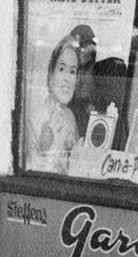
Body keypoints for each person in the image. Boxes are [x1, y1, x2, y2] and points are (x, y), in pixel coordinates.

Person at [27, 28, 90, 172]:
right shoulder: (35, 118)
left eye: (73, 71)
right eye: (61, 69)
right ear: (51, 75)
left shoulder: (70, 117)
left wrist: (79, 156)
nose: (67, 78)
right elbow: (31, 173)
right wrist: (46, 150)